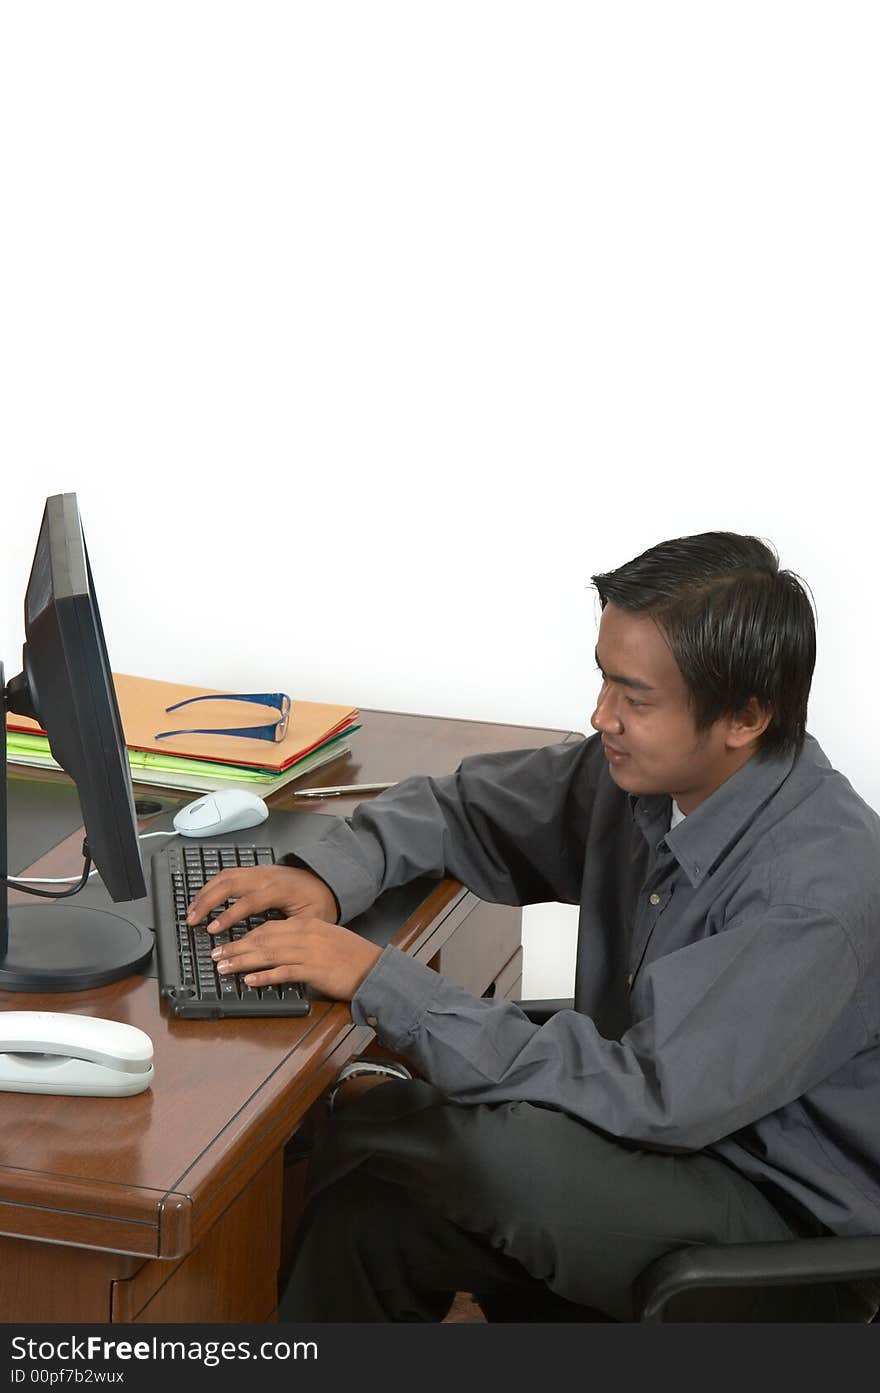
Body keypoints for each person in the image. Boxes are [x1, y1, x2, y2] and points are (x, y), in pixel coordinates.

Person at [187, 532, 880, 1322]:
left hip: (772, 1220)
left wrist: (384, 983)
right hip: (658, 1138)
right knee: (374, 1193)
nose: (601, 716)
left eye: (636, 697)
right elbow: (465, 808)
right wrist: (328, 879)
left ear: (746, 716)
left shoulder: (815, 891)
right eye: (603, 681)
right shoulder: (642, 779)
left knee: (450, 1148)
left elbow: (657, 1097)